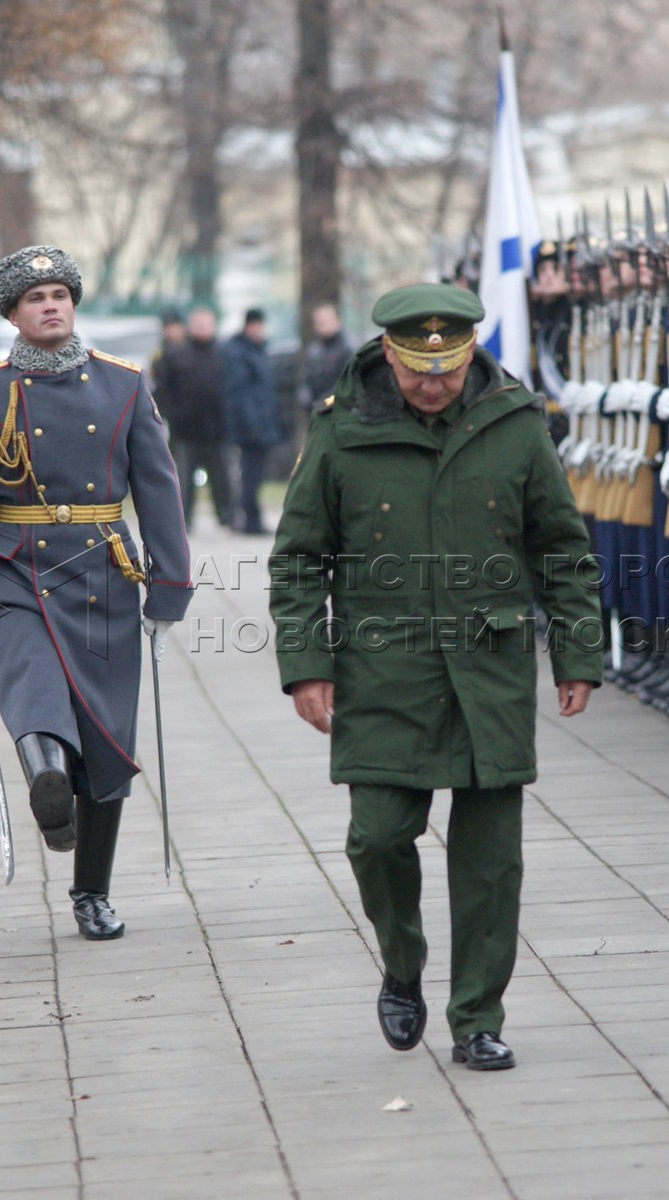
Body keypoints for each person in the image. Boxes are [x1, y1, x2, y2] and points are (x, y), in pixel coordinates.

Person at [269, 283, 604, 1071]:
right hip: (383, 668)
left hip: (489, 668)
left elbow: (561, 547)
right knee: (378, 837)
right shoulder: (341, 431)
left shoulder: (516, 426)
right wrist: (305, 667)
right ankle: (402, 962)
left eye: (447, 367)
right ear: (389, 353)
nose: (433, 382)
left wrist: (579, 653)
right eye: (418, 367)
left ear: (469, 354)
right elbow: (297, 560)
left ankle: (478, 1016)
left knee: (490, 861)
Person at [0, 245, 194, 941]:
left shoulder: (123, 384)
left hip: (104, 576)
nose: (50, 305)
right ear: (13, 315)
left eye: (60, 294)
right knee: (36, 693)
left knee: (106, 742)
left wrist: (169, 589)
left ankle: (91, 892)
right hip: (15, 568)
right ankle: (49, 786)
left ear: (73, 305)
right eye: (35, 298)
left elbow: (160, 492)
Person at [152, 305, 234, 530]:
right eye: (198, 324)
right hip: (185, 429)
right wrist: (170, 415)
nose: (202, 328)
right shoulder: (175, 354)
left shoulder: (224, 353)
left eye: (206, 324)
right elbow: (163, 390)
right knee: (183, 479)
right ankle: (183, 520)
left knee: (223, 477)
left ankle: (228, 516)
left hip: (218, 428)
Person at [220, 308, 284, 534]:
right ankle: (249, 520)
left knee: (253, 475)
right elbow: (242, 393)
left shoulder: (256, 350)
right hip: (251, 427)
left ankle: (248, 518)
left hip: (260, 424)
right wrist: (253, 425)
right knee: (250, 476)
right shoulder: (240, 353)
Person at [298, 302, 355, 411]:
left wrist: (325, 404)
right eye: (319, 322)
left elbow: (347, 386)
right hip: (317, 411)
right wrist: (306, 400)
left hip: (340, 412)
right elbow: (305, 381)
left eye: (328, 320)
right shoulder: (314, 352)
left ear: (338, 321)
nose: (323, 325)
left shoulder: (346, 350)